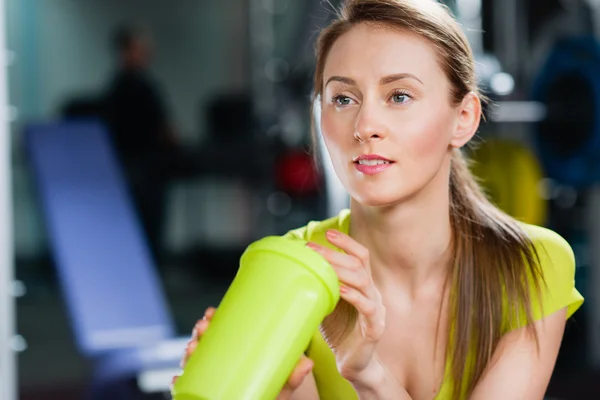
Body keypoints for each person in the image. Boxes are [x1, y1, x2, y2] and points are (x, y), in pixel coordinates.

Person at [174, 0, 584, 398]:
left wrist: (367, 375)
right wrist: (275, 391)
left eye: (399, 96)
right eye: (343, 99)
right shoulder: (289, 271)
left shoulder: (531, 265)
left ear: (464, 119)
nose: (365, 125)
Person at [103, 23, 179, 263]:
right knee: (145, 226)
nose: (147, 51)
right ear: (126, 50)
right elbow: (162, 128)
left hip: (141, 167)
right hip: (141, 169)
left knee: (145, 228)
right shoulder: (131, 87)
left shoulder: (121, 86)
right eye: (140, 47)